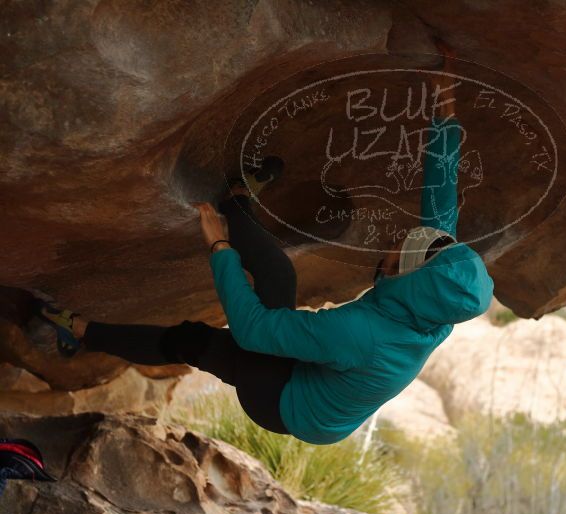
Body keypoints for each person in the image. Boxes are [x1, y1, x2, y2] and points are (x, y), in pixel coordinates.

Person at [36, 44, 493, 445]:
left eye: (401, 253)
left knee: (194, 340)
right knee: (279, 275)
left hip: (286, 405)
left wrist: (221, 251)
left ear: (408, 278)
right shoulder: (439, 300)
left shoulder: (362, 334)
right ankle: (236, 202)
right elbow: (441, 205)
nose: (397, 241)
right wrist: (444, 107)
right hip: (322, 372)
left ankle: (77, 330)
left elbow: (255, 330)